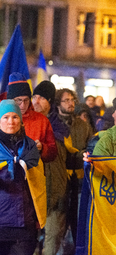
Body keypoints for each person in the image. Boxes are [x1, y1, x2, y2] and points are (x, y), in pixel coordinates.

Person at [0, 100, 43, 255]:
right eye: (5, 117)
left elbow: (37, 180)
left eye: (15, 117)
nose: (11, 121)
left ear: (21, 119)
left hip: (24, 224)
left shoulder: (30, 146)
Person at [32, 81, 69, 255]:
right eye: (34, 97)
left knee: (52, 242)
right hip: (33, 194)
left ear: (50, 102)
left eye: (41, 98)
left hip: (56, 194)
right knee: (29, 243)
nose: (36, 101)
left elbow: (67, 158)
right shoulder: (25, 125)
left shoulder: (61, 128)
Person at [55, 88, 93, 250]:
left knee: (79, 225)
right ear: (58, 103)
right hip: (59, 181)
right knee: (57, 230)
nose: (71, 103)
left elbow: (90, 147)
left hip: (78, 180)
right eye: (66, 100)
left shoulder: (82, 125)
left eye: (72, 100)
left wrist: (84, 156)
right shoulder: (53, 124)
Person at [6, 72, 57, 163]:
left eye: (26, 100)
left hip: (33, 174)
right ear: (11, 100)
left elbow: (53, 152)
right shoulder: (2, 118)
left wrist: (42, 148)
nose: (22, 105)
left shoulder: (42, 121)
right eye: (18, 101)